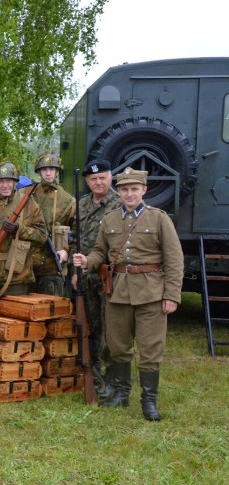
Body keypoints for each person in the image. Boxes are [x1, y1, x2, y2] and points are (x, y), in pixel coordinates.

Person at [73, 167, 183, 421]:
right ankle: (121, 395)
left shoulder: (158, 218)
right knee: (118, 346)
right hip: (118, 292)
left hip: (151, 293)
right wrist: (86, 261)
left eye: (134, 189)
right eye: (125, 189)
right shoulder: (110, 219)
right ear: (119, 192)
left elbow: (174, 260)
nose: (129, 194)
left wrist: (172, 295)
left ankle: (149, 401)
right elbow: (100, 252)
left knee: (150, 348)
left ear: (144, 190)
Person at [70, 159, 121, 397]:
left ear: (110, 177)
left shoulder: (120, 204)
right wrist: (74, 272)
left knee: (111, 329)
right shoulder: (81, 205)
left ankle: (113, 377)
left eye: (102, 177)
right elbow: (74, 240)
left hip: (109, 277)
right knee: (90, 325)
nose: (98, 182)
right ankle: (93, 371)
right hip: (86, 277)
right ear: (87, 182)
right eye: (93, 179)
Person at [0, 162, 45, 315]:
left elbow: (43, 235)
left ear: (15, 183)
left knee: (16, 327)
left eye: (9, 181)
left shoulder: (29, 205)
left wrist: (20, 230)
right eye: (1, 181)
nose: (5, 185)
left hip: (17, 279)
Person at [29, 150, 75, 297]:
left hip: (52, 266)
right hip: (27, 265)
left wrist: (66, 250)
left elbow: (75, 232)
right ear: (39, 172)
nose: (48, 173)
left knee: (51, 310)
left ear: (57, 171)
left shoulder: (67, 199)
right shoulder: (28, 194)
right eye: (44, 169)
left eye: (52, 169)